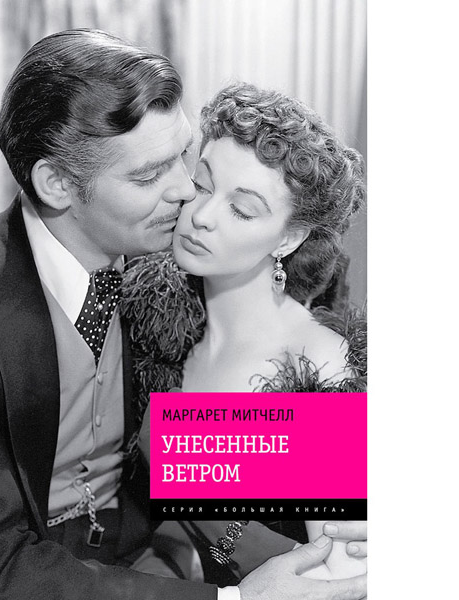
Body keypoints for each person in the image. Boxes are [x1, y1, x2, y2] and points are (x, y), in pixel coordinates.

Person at [0, 29, 367, 600]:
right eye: (150, 175)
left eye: (184, 158)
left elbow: (326, 547)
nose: (188, 196)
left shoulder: (202, 290)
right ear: (56, 183)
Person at [122, 81, 367, 585]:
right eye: (203, 184)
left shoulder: (320, 368)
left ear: (289, 238)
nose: (201, 217)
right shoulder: (152, 323)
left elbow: (343, 579)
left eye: (243, 209)